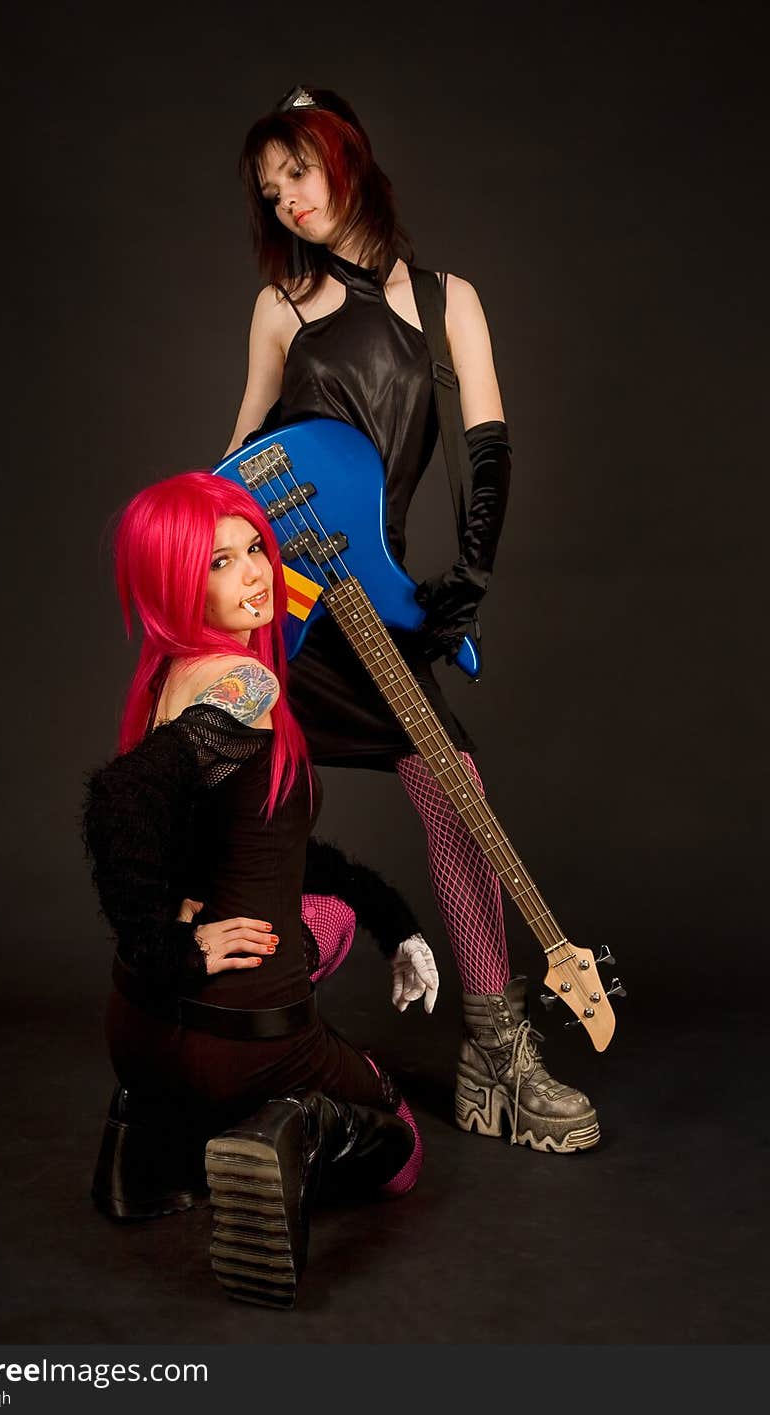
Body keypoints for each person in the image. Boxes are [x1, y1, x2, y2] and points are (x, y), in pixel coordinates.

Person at [224, 84, 599, 1154]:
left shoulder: (446, 302)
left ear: (344, 158)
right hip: (286, 605)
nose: (287, 200)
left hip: (371, 599)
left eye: (298, 170)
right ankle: (233, 1045)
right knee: (241, 790)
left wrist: (465, 576)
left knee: (455, 794)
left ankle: (496, 1053)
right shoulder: (277, 307)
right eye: (269, 187)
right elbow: (237, 461)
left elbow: (486, 446)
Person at [82, 469, 427, 1309]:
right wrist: (177, 944)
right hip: (239, 1039)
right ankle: (295, 1125)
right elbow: (119, 801)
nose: (253, 573)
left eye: (253, 550)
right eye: (217, 561)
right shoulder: (250, 685)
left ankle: (144, 1142)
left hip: (141, 1028)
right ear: (171, 579)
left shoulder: (172, 678)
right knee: (405, 1147)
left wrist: (392, 919)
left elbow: (273, 850)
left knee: (331, 918)